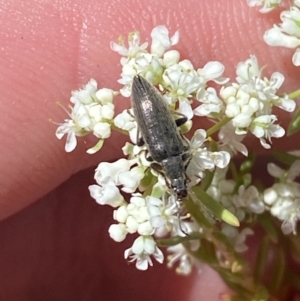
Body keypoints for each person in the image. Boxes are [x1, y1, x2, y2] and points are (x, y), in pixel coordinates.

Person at [0, 0, 298, 300]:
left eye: (176, 181)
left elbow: (160, 149)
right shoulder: (170, 157)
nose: (179, 181)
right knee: (162, 133)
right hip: (152, 109)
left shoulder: (166, 158)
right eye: (180, 181)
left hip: (150, 115)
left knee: (156, 138)